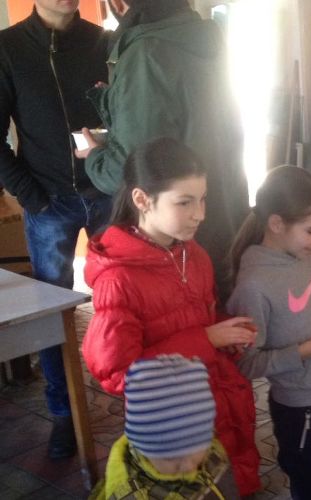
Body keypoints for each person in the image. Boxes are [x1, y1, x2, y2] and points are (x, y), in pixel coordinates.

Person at [80, 138, 261, 496]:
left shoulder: (194, 255)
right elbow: (119, 374)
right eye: (184, 202)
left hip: (216, 402)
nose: (200, 214)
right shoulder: (119, 280)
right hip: (174, 434)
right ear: (142, 200)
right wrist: (206, 340)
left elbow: (199, 317)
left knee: (225, 482)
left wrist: (227, 332)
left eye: (203, 199)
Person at [76, 0, 247, 297]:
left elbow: (131, 170)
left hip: (177, 232)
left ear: (118, 3)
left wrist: (95, 157)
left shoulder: (146, 52)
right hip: (224, 210)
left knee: (180, 316)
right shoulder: (204, 37)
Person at [0, 0, 110, 459]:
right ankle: (64, 412)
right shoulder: (8, 48)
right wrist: (32, 196)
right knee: (50, 314)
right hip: (48, 201)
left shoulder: (105, 41)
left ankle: (136, 396)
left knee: (124, 300)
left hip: (108, 194)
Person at [227, 165, 311, 500]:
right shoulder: (254, 285)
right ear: (276, 224)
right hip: (301, 407)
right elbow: (246, 364)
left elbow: (305, 316)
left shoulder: (309, 257)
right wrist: (308, 350)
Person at [90, 355, 239, 499]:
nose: (188, 467)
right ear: (144, 450)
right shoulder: (133, 494)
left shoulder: (214, 453)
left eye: (196, 452)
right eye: (171, 460)